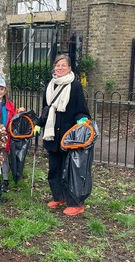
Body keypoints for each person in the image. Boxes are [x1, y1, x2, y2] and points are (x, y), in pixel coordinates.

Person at [34, 55, 91, 216]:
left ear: (69, 68)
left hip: (69, 137)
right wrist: (39, 123)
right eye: (57, 66)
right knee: (54, 169)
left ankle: (76, 203)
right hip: (53, 137)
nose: (59, 68)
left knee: (71, 171)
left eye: (63, 65)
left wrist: (82, 119)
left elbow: (81, 109)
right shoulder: (50, 86)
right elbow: (47, 108)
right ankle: (58, 196)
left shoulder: (75, 86)